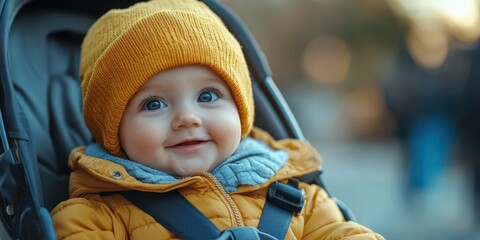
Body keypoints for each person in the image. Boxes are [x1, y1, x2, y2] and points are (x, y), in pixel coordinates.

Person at [50, 0, 384, 239]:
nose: (187, 118)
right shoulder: (99, 216)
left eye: (207, 96)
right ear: (113, 131)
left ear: (241, 110)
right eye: (153, 104)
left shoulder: (294, 196)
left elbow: (339, 232)